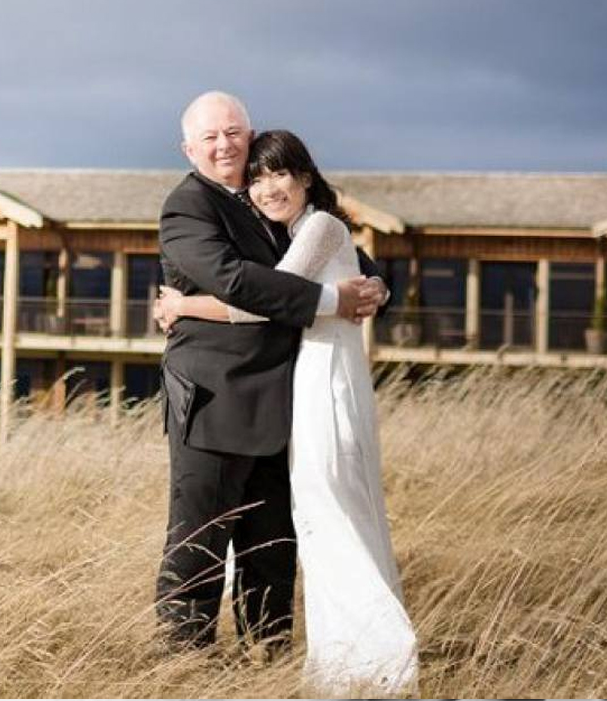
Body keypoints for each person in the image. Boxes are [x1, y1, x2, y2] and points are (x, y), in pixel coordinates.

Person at [156, 129, 418, 695]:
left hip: (291, 401)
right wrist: (334, 299)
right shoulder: (189, 204)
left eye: (235, 136)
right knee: (200, 542)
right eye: (209, 137)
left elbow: (348, 258)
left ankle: (271, 663)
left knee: (275, 547)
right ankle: (183, 674)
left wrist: (372, 287)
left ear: (302, 175)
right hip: (217, 401)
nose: (225, 147)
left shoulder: (297, 221)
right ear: (189, 148)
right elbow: (237, 283)